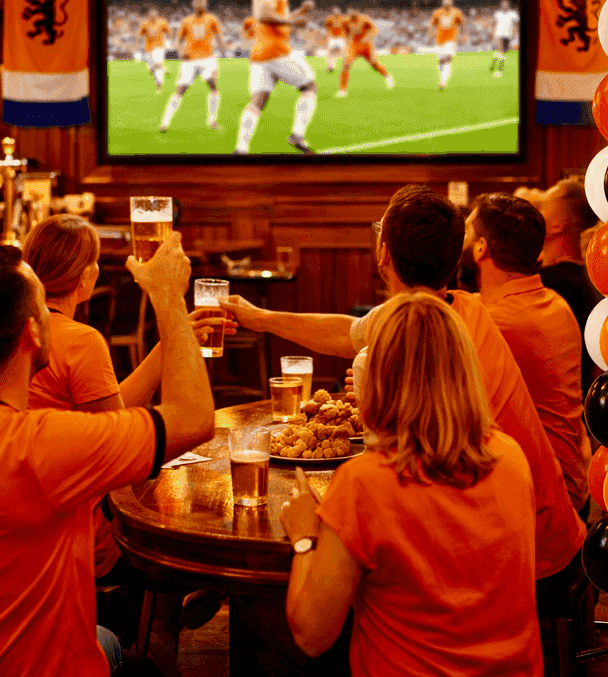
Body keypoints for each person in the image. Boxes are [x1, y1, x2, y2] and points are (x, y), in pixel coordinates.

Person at [220, 185, 585, 583]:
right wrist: (261, 317)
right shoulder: (461, 307)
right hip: (534, 525)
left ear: (383, 254)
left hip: (515, 553)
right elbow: (349, 333)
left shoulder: (418, 340)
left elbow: (398, 475)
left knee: (337, 530)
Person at [0, 241, 214, 677]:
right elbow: (194, 420)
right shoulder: (41, 447)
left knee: (107, 639)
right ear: (33, 333)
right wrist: (169, 295)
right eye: (43, 308)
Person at [280, 292, 542, 674]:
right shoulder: (511, 457)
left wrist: (305, 538)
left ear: (380, 377)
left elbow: (311, 635)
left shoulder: (364, 483)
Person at [22, 215, 234, 581]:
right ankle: (180, 610)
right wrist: (171, 310)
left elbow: (111, 416)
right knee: (201, 504)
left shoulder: (24, 329)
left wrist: (174, 341)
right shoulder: (81, 340)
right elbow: (124, 442)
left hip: (36, 513)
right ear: (87, 277)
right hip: (87, 535)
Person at [462, 193, 592, 516]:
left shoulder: (498, 322)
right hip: (572, 487)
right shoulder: (551, 303)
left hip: (542, 504)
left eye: (464, 231)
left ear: (480, 248)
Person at [235, 0, 317, 156]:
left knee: (259, 99)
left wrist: (300, 12)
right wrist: (292, 22)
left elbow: (277, 17)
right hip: (277, 51)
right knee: (309, 86)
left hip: (260, 55)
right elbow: (263, 15)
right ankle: (297, 135)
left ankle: (241, 149)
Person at [535, 178, 604, 394]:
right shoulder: (589, 278)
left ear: (557, 224)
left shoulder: (550, 283)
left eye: (542, 207)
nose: (534, 214)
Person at [161, 0, 224, 133]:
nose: (201, 4)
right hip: (189, 60)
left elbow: (219, 38)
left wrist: (224, 51)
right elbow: (178, 40)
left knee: (213, 85)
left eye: (204, 2)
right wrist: (181, 51)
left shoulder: (212, 19)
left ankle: (212, 120)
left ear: (207, 4)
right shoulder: (186, 21)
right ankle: (165, 122)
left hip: (208, 59)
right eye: (198, 2)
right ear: (193, 4)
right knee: (181, 89)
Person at [335, 10, 394, 98]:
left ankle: (387, 76)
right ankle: (342, 90)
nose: (352, 16)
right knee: (346, 64)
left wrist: (367, 37)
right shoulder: (346, 22)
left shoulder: (365, 19)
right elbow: (344, 33)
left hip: (366, 44)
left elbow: (374, 30)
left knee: (374, 64)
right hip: (354, 45)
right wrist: (347, 41)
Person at [429, 0, 464, 90]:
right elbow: (433, 24)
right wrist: (430, 34)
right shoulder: (437, 12)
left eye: (449, 2)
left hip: (451, 40)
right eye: (445, 2)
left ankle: (443, 82)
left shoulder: (457, 12)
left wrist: (464, 35)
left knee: (448, 58)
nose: (447, 4)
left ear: (452, 3)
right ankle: (442, 76)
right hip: (439, 40)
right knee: (441, 61)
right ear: (443, 3)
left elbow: (462, 24)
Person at [137, 8, 172, 91]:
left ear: (157, 15)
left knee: (157, 63)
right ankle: (164, 69)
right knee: (152, 68)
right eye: (151, 14)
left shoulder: (162, 22)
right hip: (148, 48)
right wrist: (138, 43)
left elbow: (169, 32)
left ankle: (159, 84)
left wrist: (167, 40)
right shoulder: (145, 23)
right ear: (149, 15)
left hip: (159, 47)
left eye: (154, 14)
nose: (153, 16)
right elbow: (140, 34)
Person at [490, 0, 519, 78]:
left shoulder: (513, 14)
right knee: (501, 49)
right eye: (503, 4)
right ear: (501, 5)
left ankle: (495, 61)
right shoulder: (498, 14)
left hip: (508, 35)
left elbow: (516, 24)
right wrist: (493, 34)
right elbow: (494, 24)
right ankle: (499, 68)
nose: (504, 5)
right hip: (499, 34)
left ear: (508, 5)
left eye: (506, 4)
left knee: (504, 51)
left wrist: (514, 32)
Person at [323, 6, 347, 73]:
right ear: (332, 12)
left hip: (341, 38)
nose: (335, 12)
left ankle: (345, 67)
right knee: (329, 53)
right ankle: (330, 67)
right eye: (334, 11)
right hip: (332, 38)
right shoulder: (329, 19)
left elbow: (347, 28)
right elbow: (326, 27)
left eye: (337, 11)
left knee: (344, 53)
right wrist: (328, 35)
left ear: (340, 12)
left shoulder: (344, 19)